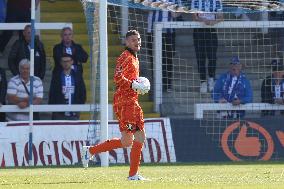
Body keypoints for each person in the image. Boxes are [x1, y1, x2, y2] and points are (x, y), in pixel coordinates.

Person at [81, 30, 148, 180]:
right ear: (126, 42)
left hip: (130, 102)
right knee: (137, 138)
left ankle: (90, 151)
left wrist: (137, 85)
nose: (137, 42)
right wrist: (133, 85)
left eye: (138, 39)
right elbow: (117, 77)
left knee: (129, 140)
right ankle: (133, 175)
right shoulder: (125, 57)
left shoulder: (134, 58)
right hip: (126, 103)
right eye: (132, 40)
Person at [147, 0, 182, 92]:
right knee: (153, 58)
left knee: (168, 58)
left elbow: (177, 13)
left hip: (169, 31)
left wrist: (174, 11)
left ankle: (167, 84)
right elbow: (142, 7)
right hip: (152, 30)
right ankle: (156, 84)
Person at [191, 0, 223, 93]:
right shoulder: (195, 1)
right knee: (200, 57)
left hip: (211, 30)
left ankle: (211, 79)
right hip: (198, 31)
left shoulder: (217, 1)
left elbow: (221, 17)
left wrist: (214, 21)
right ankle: (203, 82)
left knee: (212, 56)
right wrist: (203, 20)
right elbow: (194, 16)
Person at [48, 54, 86, 120]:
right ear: (61, 63)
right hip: (59, 114)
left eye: (68, 61)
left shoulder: (78, 76)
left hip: (74, 113)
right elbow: (52, 93)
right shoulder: (56, 76)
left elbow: (82, 92)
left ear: (72, 61)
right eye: (64, 61)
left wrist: (78, 108)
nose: (66, 63)